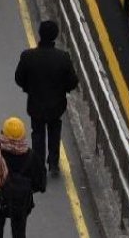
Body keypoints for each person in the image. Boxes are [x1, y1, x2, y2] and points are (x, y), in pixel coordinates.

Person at [14, 20, 79, 178]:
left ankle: (38, 165)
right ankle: (54, 164)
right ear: (55, 36)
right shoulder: (63, 58)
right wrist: (64, 90)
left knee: (37, 134)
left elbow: (19, 78)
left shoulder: (28, 56)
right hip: (56, 104)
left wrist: (28, 88)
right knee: (54, 131)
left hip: (35, 103)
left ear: (40, 34)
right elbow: (73, 81)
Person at [0, 117, 47, 238]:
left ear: (3, 134)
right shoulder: (31, 157)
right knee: (19, 229)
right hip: (21, 203)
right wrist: (26, 188)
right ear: (23, 135)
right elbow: (40, 183)